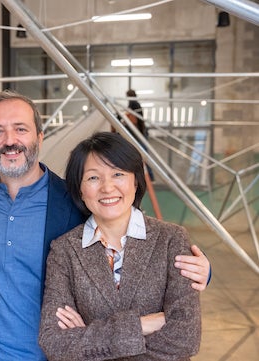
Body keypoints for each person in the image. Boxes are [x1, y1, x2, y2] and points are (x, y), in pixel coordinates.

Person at [0, 90, 210, 361]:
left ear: (40, 137)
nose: (10, 141)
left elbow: (123, 227)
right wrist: (140, 326)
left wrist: (201, 273)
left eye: (21, 129)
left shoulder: (69, 202)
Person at [38, 132, 201, 360]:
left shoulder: (171, 240)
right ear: (80, 189)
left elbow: (186, 338)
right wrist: (142, 325)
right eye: (93, 178)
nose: (107, 187)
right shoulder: (64, 250)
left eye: (118, 174)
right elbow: (54, 342)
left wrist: (88, 337)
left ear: (135, 181)